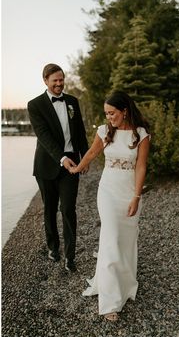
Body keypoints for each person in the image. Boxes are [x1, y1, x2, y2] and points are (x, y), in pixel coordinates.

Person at [70, 90, 150, 321]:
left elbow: (141, 167)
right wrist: (77, 168)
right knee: (111, 236)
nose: (109, 117)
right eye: (106, 113)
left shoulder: (141, 134)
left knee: (125, 240)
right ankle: (110, 301)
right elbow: (93, 152)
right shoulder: (105, 131)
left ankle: (123, 284)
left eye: (112, 113)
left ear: (124, 111)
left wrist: (136, 197)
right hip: (107, 190)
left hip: (129, 192)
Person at [28, 63, 89, 272]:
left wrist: (85, 158)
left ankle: (70, 256)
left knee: (68, 208)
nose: (59, 84)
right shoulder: (35, 105)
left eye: (61, 80)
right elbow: (43, 136)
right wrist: (61, 158)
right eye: (54, 80)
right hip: (47, 164)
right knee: (50, 208)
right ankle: (53, 247)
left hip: (72, 164)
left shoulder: (72, 102)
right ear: (45, 80)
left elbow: (80, 132)